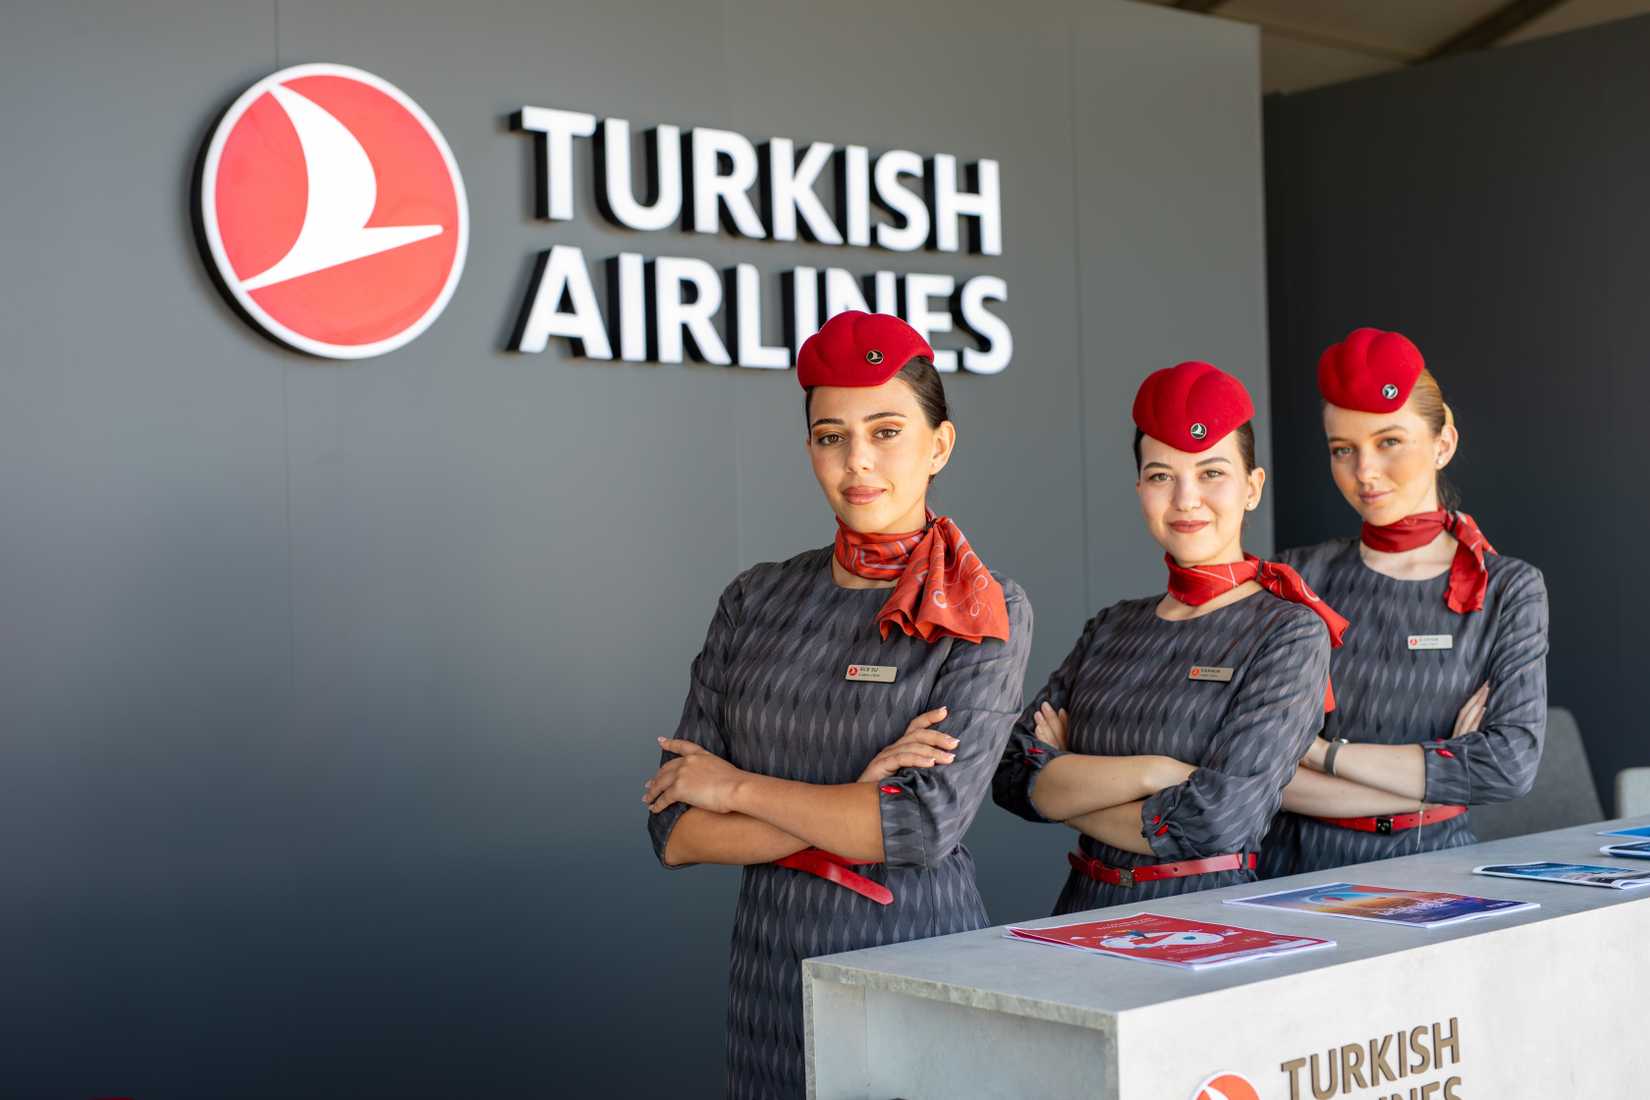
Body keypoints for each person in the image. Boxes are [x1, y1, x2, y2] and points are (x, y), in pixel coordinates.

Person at [643, 311, 1033, 1098]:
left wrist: (736, 788)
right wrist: (855, 804)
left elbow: (919, 827)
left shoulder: (984, 607)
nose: (858, 462)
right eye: (831, 436)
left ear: (940, 445)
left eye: (886, 430)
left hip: (912, 956)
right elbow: (675, 831)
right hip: (769, 974)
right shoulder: (755, 599)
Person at [994, 360, 1338, 912]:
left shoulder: (1289, 632)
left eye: (1211, 473)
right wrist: (1151, 772)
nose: (1185, 499)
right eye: (1161, 476)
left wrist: (1061, 784)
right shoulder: (1111, 627)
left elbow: (1218, 821)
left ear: (1252, 488)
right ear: (1139, 489)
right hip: (1079, 914)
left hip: (1203, 921)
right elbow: (1011, 774)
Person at [1260, 327, 1549, 876]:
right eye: (1343, 449)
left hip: (1440, 871)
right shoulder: (1295, 577)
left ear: (1444, 444)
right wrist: (1436, 775)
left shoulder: (1510, 589)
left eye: (1389, 441)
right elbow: (1250, 765)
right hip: (1291, 873)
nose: (1364, 471)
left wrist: (1321, 753)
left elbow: (1507, 767)